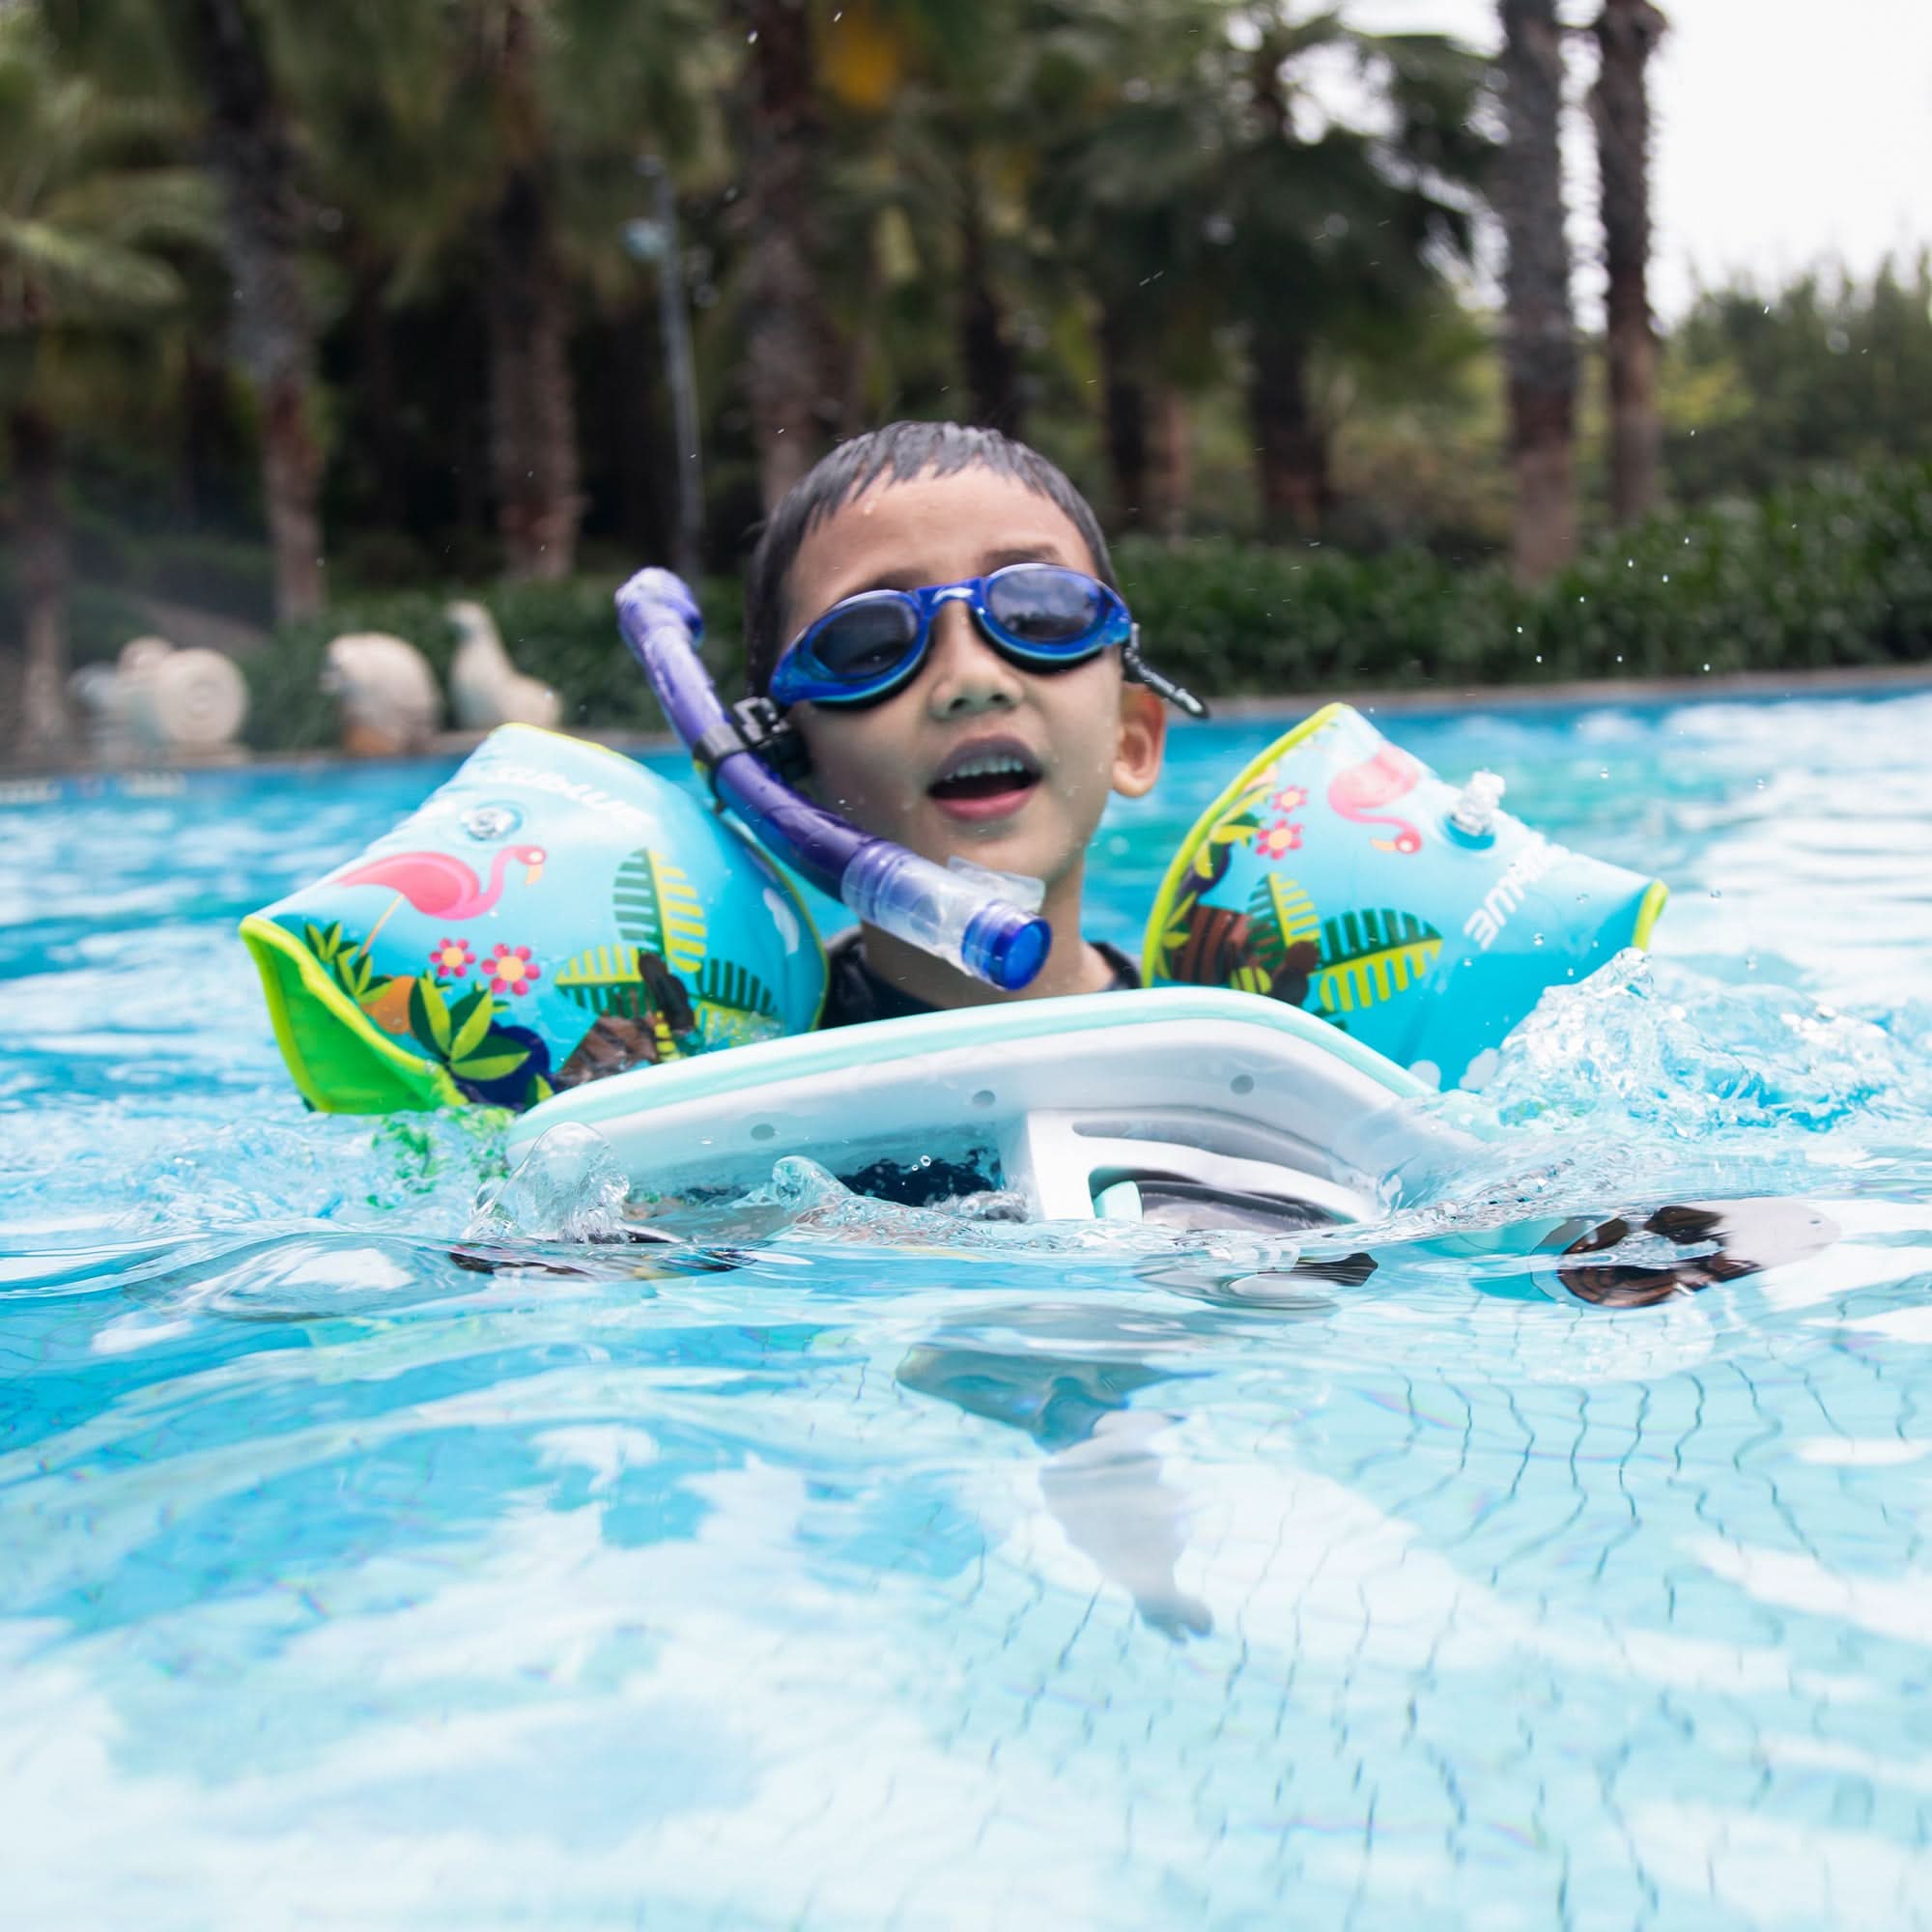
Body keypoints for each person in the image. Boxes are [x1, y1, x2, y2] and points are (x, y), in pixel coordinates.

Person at [741, 419, 1197, 1028]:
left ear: (1130, 737)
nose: (973, 680)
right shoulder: (723, 1071)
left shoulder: (1237, 1058)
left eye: (1039, 610)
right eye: (869, 642)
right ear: (789, 779)